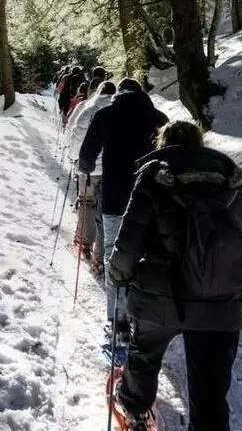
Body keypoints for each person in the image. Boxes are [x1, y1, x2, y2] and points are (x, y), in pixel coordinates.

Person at [109, 121, 242, 430]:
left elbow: (129, 242)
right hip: (221, 301)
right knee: (210, 389)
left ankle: (135, 408)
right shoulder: (226, 178)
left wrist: (119, 274)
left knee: (145, 355)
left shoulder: (154, 176)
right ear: (199, 143)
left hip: (162, 297)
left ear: (163, 143)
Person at [78, 78, 168, 343]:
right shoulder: (159, 118)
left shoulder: (106, 115)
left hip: (115, 199)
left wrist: (86, 169)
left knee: (113, 257)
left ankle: (117, 322)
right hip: (151, 201)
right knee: (146, 257)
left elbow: (86, 156)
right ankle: (144, 318)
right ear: (142, 94)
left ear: (119, 94)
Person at [66, 80, 116, 269]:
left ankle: (84, 244)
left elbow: (77, 135)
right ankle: (100, 253)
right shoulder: (117, 112)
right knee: (105, 210)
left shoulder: (88, 109)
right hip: (110, 170)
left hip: (88, 169)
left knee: (86, 204)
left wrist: (73, 157)